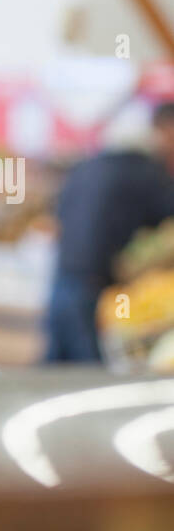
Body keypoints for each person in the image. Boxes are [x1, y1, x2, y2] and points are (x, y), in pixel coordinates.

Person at [44, 102, 174, 362]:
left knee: (53, 370)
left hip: (61, 281)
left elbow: (58, 216)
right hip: (97, 290)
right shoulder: (148, 174)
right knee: (93, 377)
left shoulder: (87, 166)